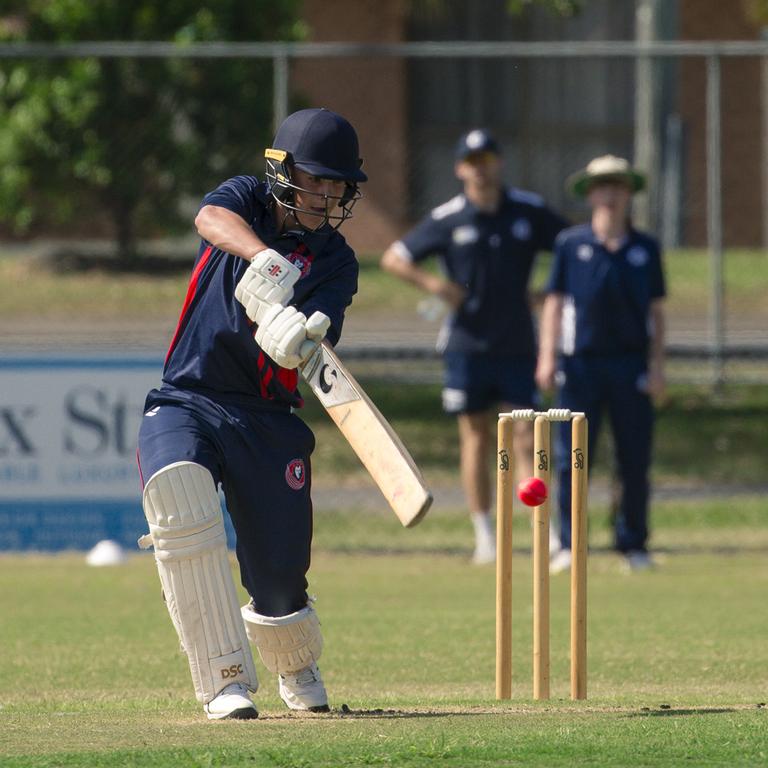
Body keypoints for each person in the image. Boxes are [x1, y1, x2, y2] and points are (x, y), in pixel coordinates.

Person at [136, 108, 367, 720]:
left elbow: (316, 344)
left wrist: (296, 335)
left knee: (279, 577)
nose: (326, 195)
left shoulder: (337, 262)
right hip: (189, 395)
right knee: (178, 497)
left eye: (337, 185)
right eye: (315, 179)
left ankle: (294, 659)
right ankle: (223, 679)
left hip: (267, 418)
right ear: (283, 171)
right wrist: (265, 260)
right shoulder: (246, 199)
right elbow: (209, 218)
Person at [380, 129, 568, 564]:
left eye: (487, 158)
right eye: (472, 160)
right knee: (476, 436)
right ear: (460, 168)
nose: (480, 168)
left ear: (499, 162)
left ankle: (546, 533)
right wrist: (435, 285)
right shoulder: (449, 217)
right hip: (466, 343)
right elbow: (393, 258)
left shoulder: (527, 211)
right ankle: (485, 536)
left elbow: (574, 248)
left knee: (525, 434)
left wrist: (547, 293)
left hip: (518, 341)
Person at [536, 154, 666, 574]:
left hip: (631, 366)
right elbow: (555, 303)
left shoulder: (645, 249)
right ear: (590, 193)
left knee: (633, 458)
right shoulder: (571, 245)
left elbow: (657, 312)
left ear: (628, 193)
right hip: (580, 367)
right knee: (572, 458)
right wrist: (547, 356)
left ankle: (633, 543)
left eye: (618, 186)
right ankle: (571, 544)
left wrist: (658, 366)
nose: (610, 194)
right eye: (602, 186)